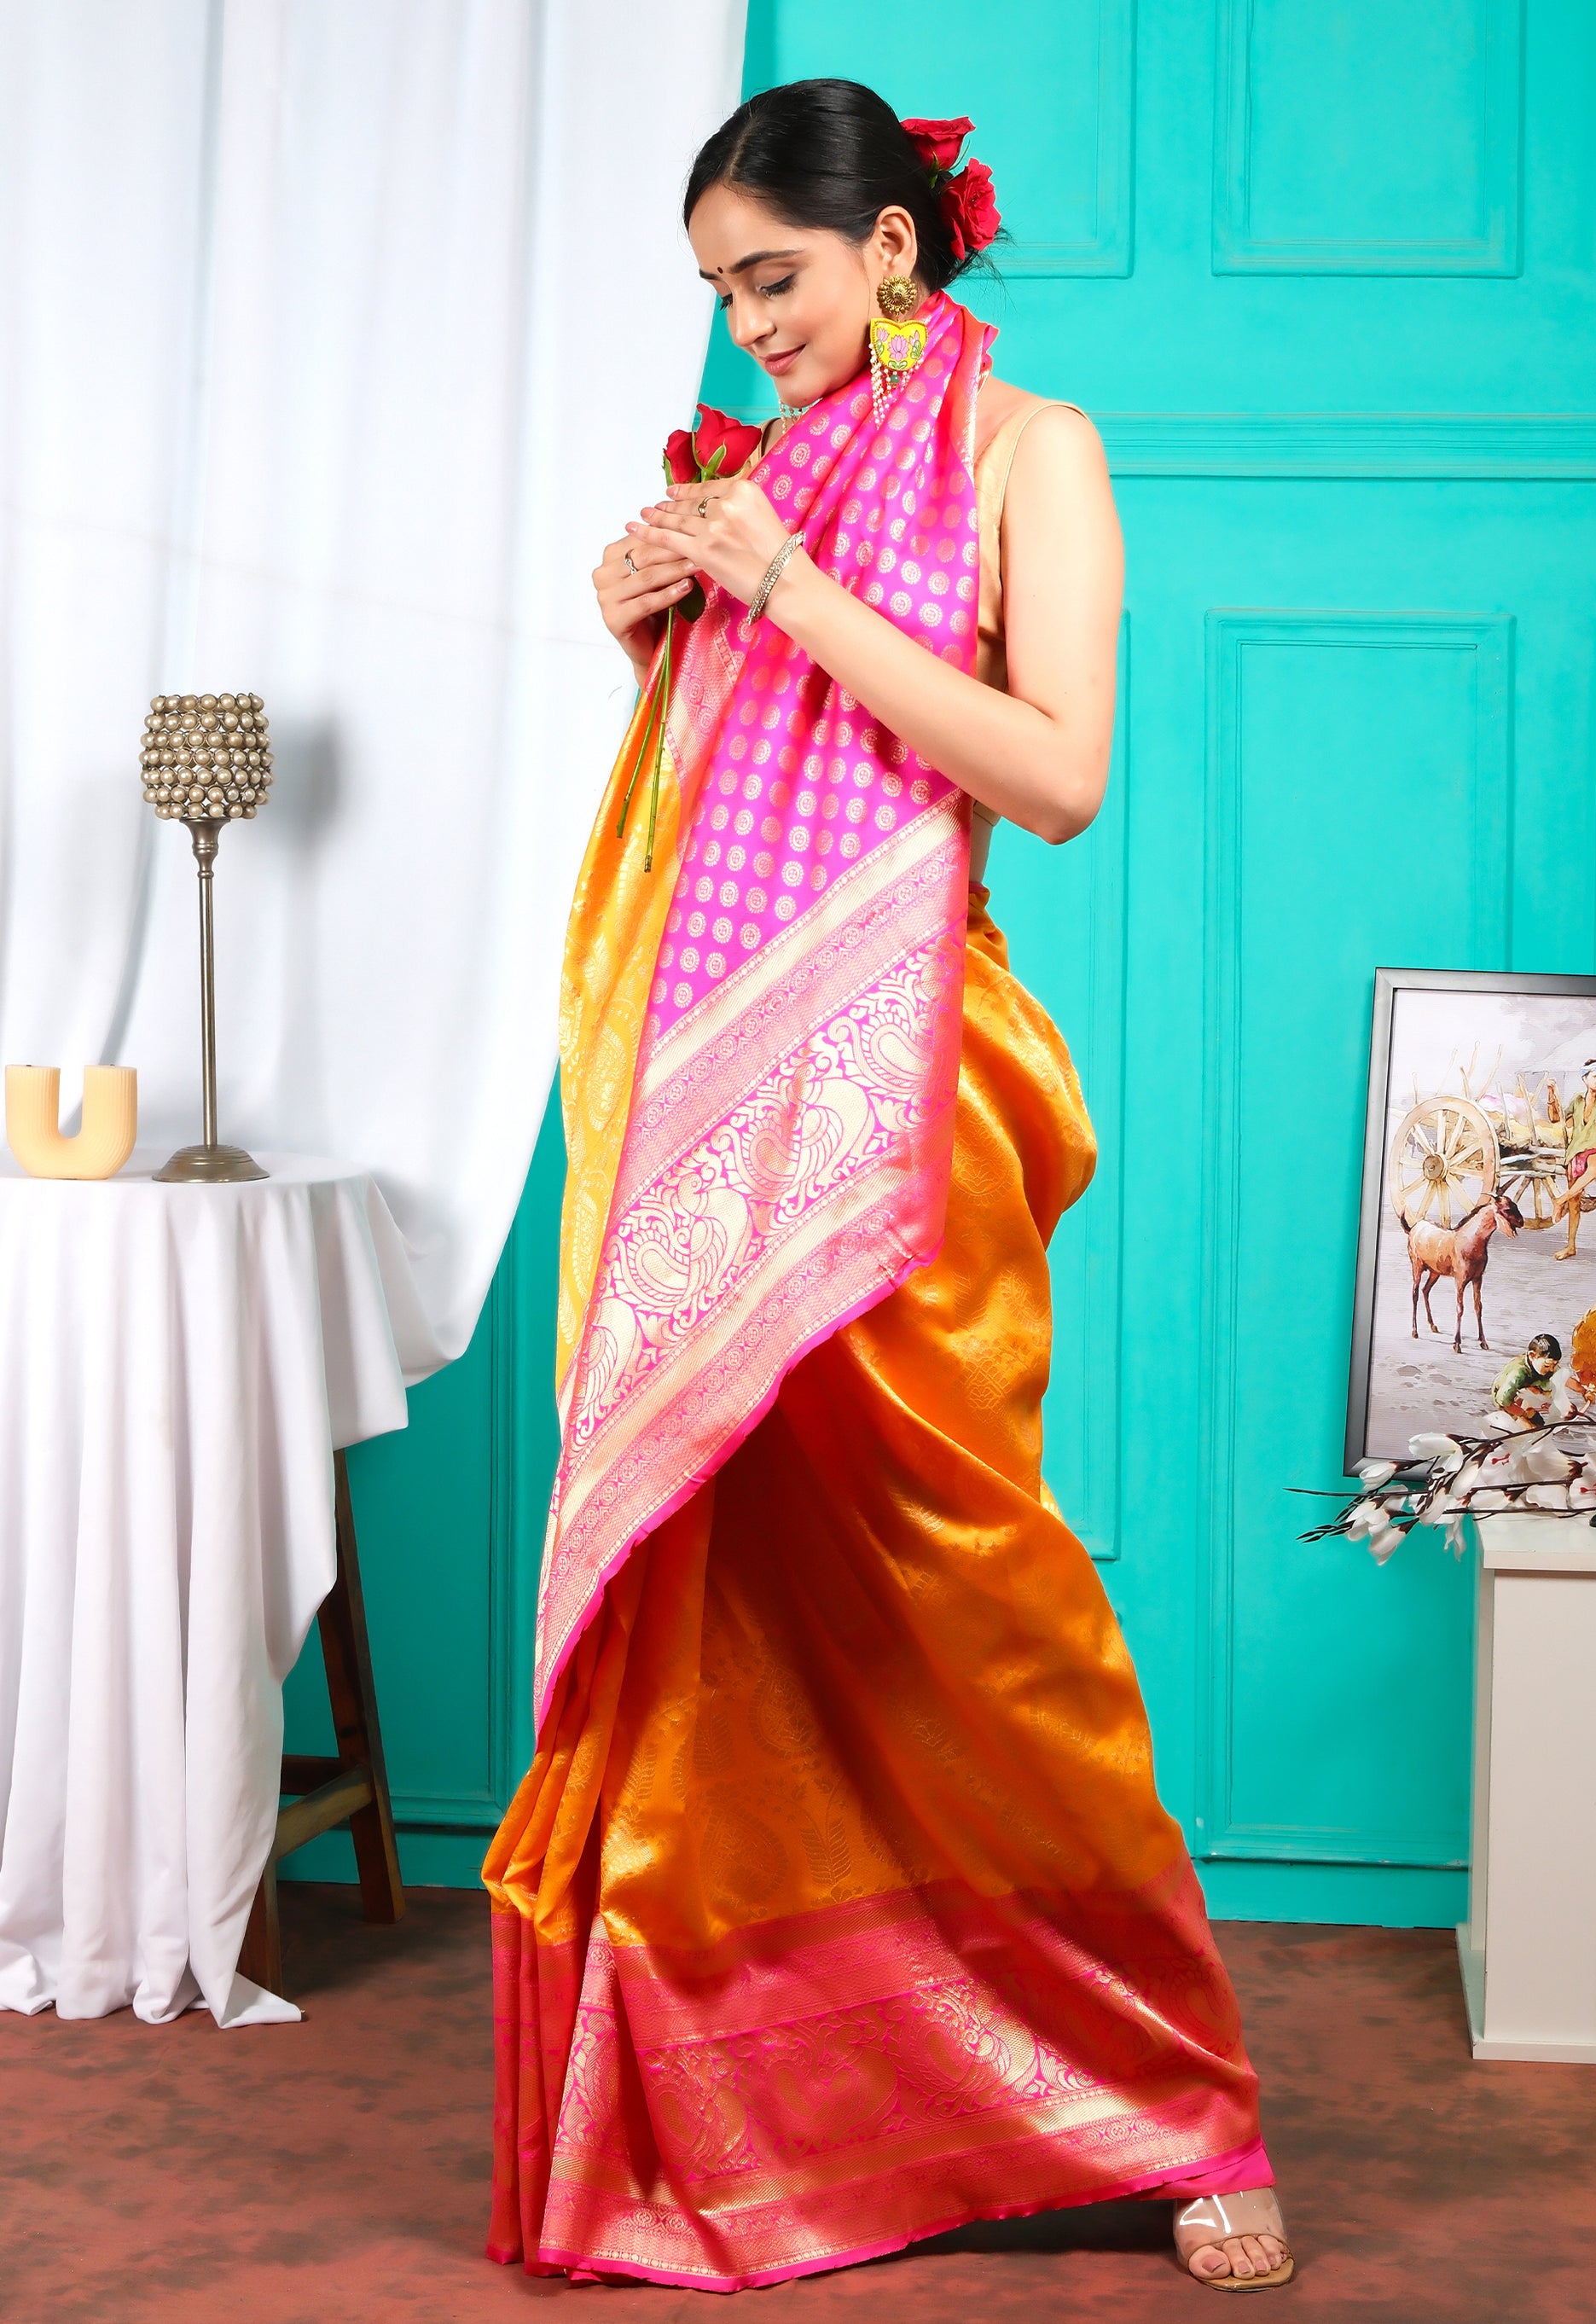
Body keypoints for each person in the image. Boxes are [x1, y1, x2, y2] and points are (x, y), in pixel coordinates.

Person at [485, 81, 1290, 2296]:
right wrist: (662, 617)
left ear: (894, 256)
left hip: (913, 1079)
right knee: (725, 1598)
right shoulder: (761, 476)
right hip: (709, 1081)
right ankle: (762, 2094)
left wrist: (788, 586)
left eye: (773, 278)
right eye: (720, 294)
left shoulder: (1036, 454)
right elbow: (726, 783)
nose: (749, 330)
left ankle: (1179, 2094)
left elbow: (1054, 770)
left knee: (971, 1590)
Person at [1552, 1060, 1596, 1260]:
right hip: (1575, 1151)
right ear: (1585, 1079)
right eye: (1594, 1077)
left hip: (1595, 1150)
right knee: (1575, 1204)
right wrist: (1551, 1093)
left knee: (1593, 1170)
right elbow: (1556, 1119)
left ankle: (1559, 1200)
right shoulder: (1577, 1100)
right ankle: (1570, 1246)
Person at [1492, 1333, 1564, 1425]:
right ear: (1532, 1356)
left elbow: (1562, 1376)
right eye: (1547, 1365)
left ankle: (1530, 1413)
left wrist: (1583, 1390)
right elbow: (1503, 1401)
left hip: (1529, 1392)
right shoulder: (1517, 1374)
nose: (1551, 1369)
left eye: (1555, 1365)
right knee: (1522, 1423)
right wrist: (1524, 1414)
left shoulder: (1547, 1366)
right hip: (1507, 1399)